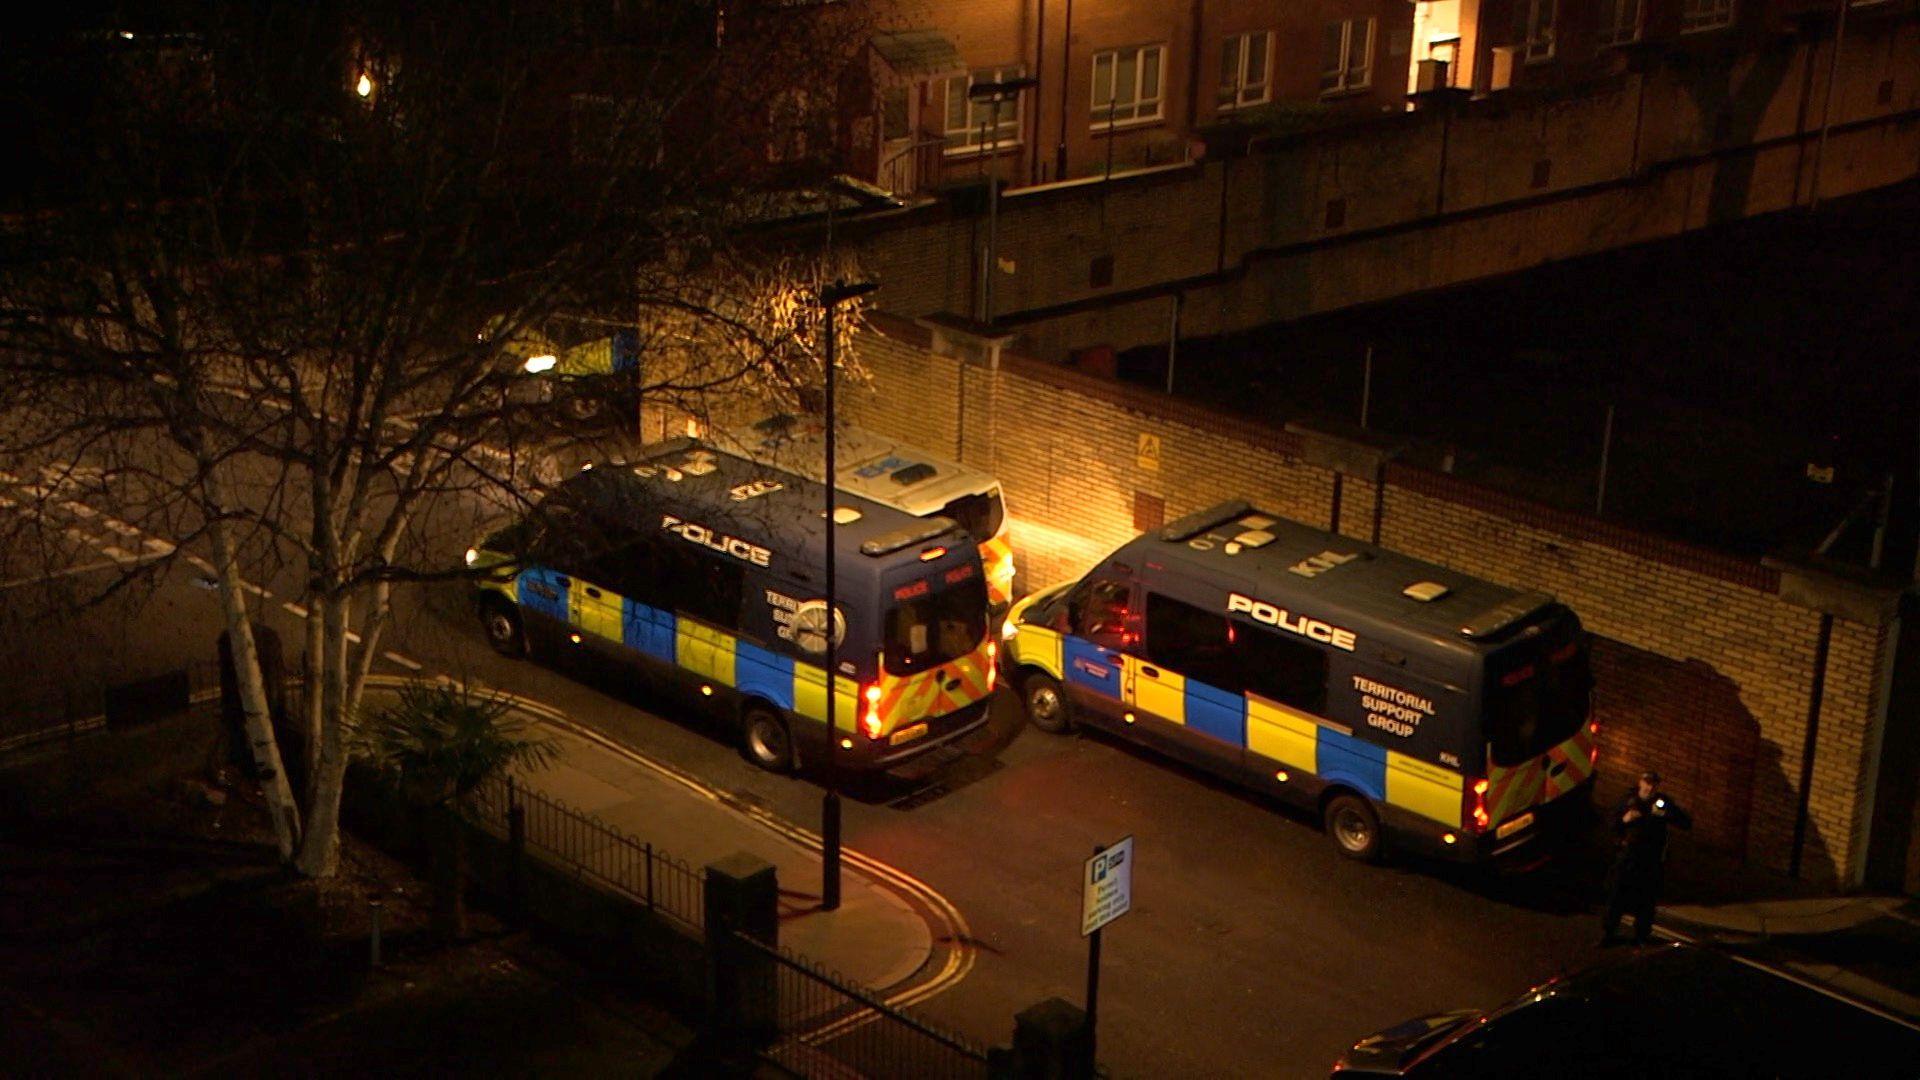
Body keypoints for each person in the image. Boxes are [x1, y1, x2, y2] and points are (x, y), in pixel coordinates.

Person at [1601, 770, 1692, 946]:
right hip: (1627, 857)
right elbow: (1611, 823)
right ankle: (1609, 933)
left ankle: (1641, 936)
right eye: (1647, 783)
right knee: (1616, 896)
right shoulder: (1628, 801)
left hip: (1650, 859)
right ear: (1640, 783)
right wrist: (1624, 820)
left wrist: (1665, 814)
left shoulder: (1662, 803)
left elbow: (1685, 823)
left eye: (1653, 784)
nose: (1650, 788)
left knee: (1646, 900)